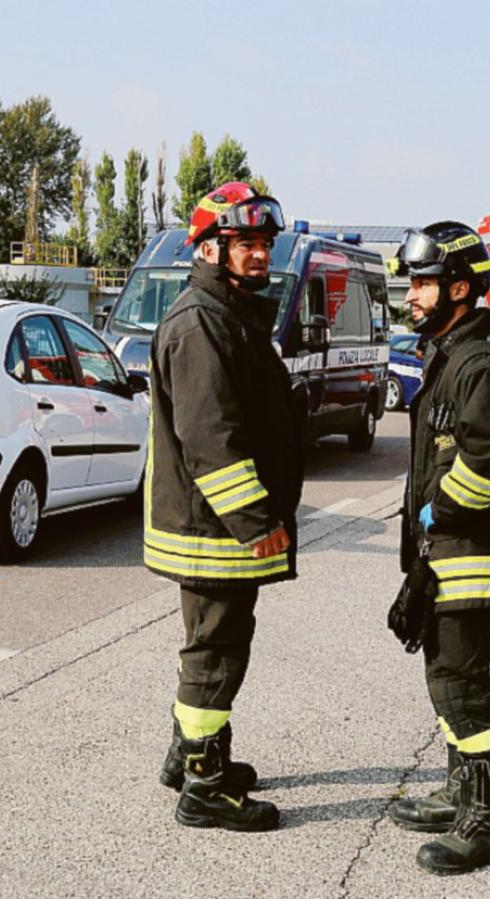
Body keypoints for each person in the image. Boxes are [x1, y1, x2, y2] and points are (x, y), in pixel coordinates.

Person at [385, 221, 490, 875]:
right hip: (447, 547)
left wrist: (439, 509)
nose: (413, 294)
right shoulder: (448, 355)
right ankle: (459, 791)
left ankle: (484, 820)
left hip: (471, 545)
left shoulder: (475, 364)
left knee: (461, 681)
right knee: (446, 673)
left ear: (459, 288)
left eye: (423, 283)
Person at [146, 182, 304, 831]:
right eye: (247, 244)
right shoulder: (201, 323)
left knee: (208, 644)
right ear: (210, 248)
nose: (262, 254)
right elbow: (211, 437)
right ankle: (205, 787)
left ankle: (188, 757)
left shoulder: (226, 314)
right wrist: (256, 522)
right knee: (216, 652)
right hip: (216, 530)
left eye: (265, 243)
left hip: (215, 525)